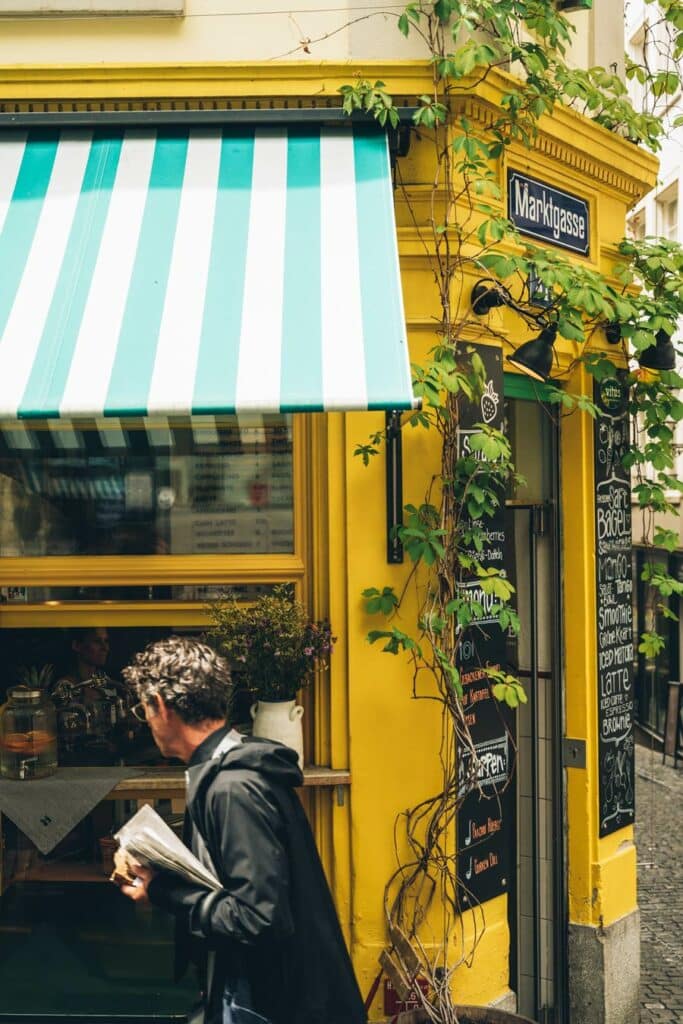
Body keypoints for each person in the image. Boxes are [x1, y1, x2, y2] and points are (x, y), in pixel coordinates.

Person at [119, 636, 366, 1024]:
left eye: (143, 709)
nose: (146, 721)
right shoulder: (233, 767)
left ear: (162, 707)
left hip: (275, 1005)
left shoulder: (233, 788)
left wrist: (162, 891)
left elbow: (256, 917)